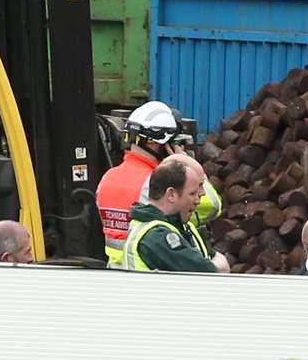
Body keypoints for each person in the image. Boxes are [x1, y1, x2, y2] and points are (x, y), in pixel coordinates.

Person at [98, 101, 223, 267]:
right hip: (154, 269)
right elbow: (211, 207)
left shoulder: (108, 178)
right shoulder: (158, 183)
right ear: (159, 144)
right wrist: (187, 164)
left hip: (116, 270)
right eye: (174, 142)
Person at [120, 156, 232, 274]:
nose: (198, 200)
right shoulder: (156, 236)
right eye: (192, 193)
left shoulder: (179, 226)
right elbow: (209, 273)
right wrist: (216, 266)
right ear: (171, 194)